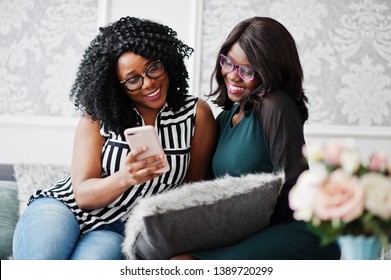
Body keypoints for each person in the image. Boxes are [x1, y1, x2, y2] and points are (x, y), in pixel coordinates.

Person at [12, 16, 217, 260]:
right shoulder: (97, 117)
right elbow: (83, 196)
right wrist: (125, 177)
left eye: (153, 67)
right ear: (117, 85)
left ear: (167, 62)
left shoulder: (196, 114)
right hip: (64, 209)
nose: (149, 83)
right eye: (133, 79)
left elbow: (190, 193)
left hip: (118, 229)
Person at [173, 16, 340, 260]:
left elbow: (293, 187)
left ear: (270, 72)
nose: (233, 76)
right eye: (227, 63)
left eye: (247, 70)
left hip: (288, 231)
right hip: (237, 233)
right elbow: (208, 190)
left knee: (184, 263)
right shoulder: (225, 117)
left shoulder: (274, 104)